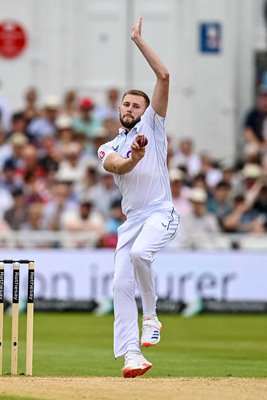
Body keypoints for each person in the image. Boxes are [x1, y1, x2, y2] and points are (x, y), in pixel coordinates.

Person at [97, 17, 179, 378]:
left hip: (161, 212)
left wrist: (137, 40)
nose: (130, 109)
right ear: (119, 109)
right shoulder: (108, 146)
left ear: (145, 111)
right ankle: (132, 355)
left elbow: (163, 76)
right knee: (118, 283)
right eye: (126, 105)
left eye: (136, 106)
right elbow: (116, 165)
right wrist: (133, 159)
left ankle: (152, 317)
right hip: (132, 221)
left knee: (141, 254)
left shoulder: (153, 125)